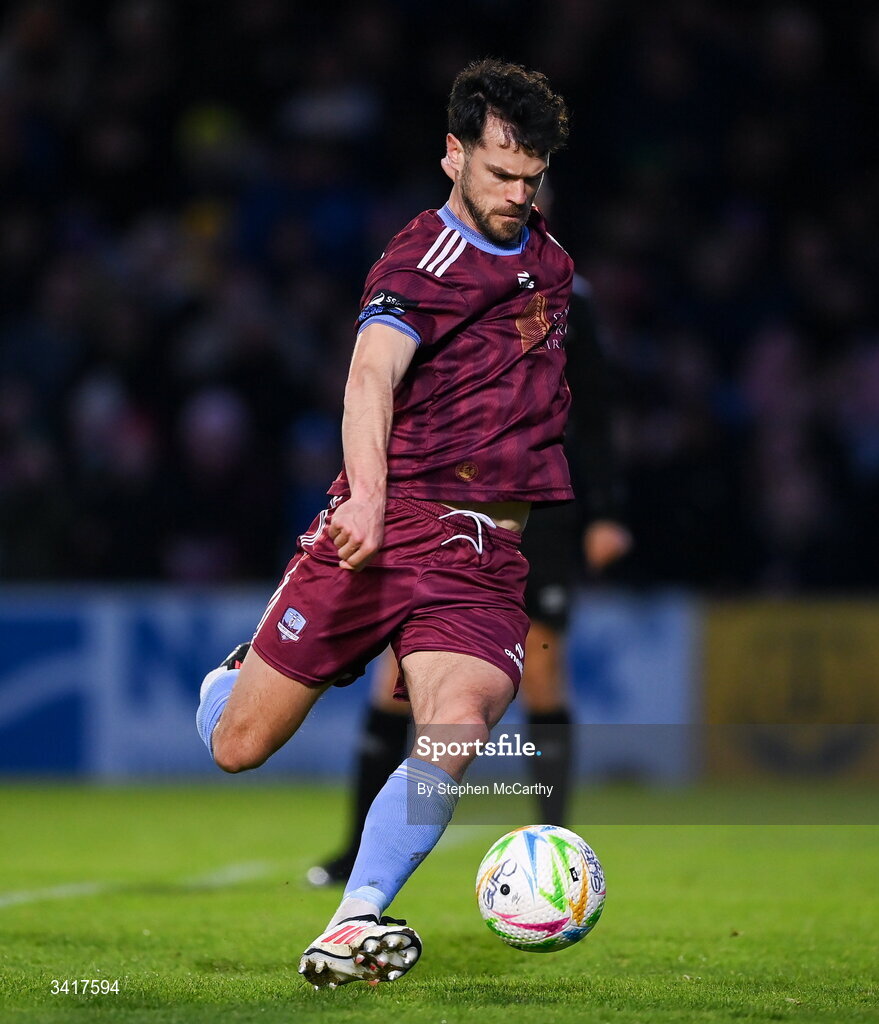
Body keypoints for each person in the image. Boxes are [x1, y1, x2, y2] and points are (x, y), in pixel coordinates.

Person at [196, 58, 572, 989]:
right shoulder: (420, 261)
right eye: (498, 174)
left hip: (485, 555)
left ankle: (352, 922)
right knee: (237, 747)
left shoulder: (552, 265)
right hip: (386, 524)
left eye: (531, 178)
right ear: (452, 156)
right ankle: (237, 673)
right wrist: (361, 497)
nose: (517, 195)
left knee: (459, 724)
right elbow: (370, 378)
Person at [306, 226, 632, 886]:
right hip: (443, 497)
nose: (518, 198)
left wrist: (606, 512)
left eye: (530, 184)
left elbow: (593, 414)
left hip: (541, 508)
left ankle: (556, 853)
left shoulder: (573, 294)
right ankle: (357, 848)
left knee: (542, 671)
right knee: (398, 674)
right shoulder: (438, 275)